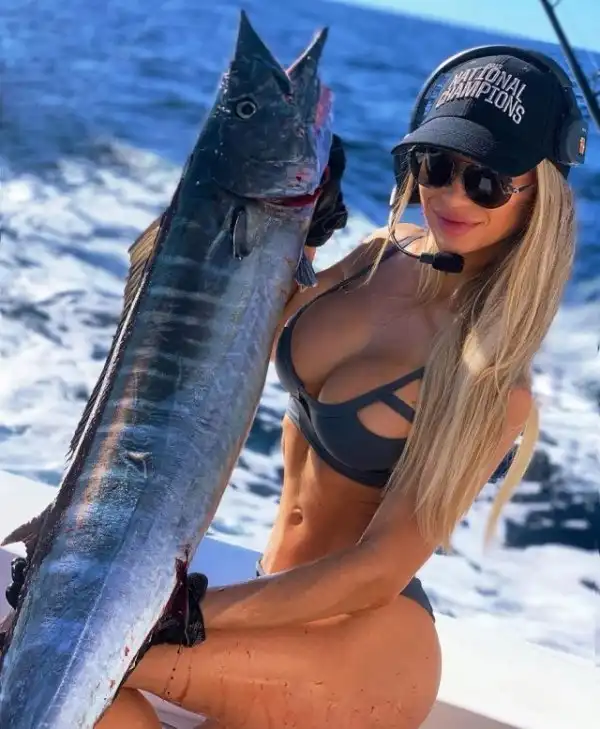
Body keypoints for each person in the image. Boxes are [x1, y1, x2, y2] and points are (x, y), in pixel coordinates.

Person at [58, 47, 591, 729]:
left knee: (73, 656)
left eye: (486, 181)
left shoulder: (493, 381)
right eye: (436, 165)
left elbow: (377, 570)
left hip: (362, 648)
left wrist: (181, 613)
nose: (452, 195)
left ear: (537, 198)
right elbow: (244, 338)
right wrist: (297, 239)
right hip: (266, 606)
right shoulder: (381, 254)